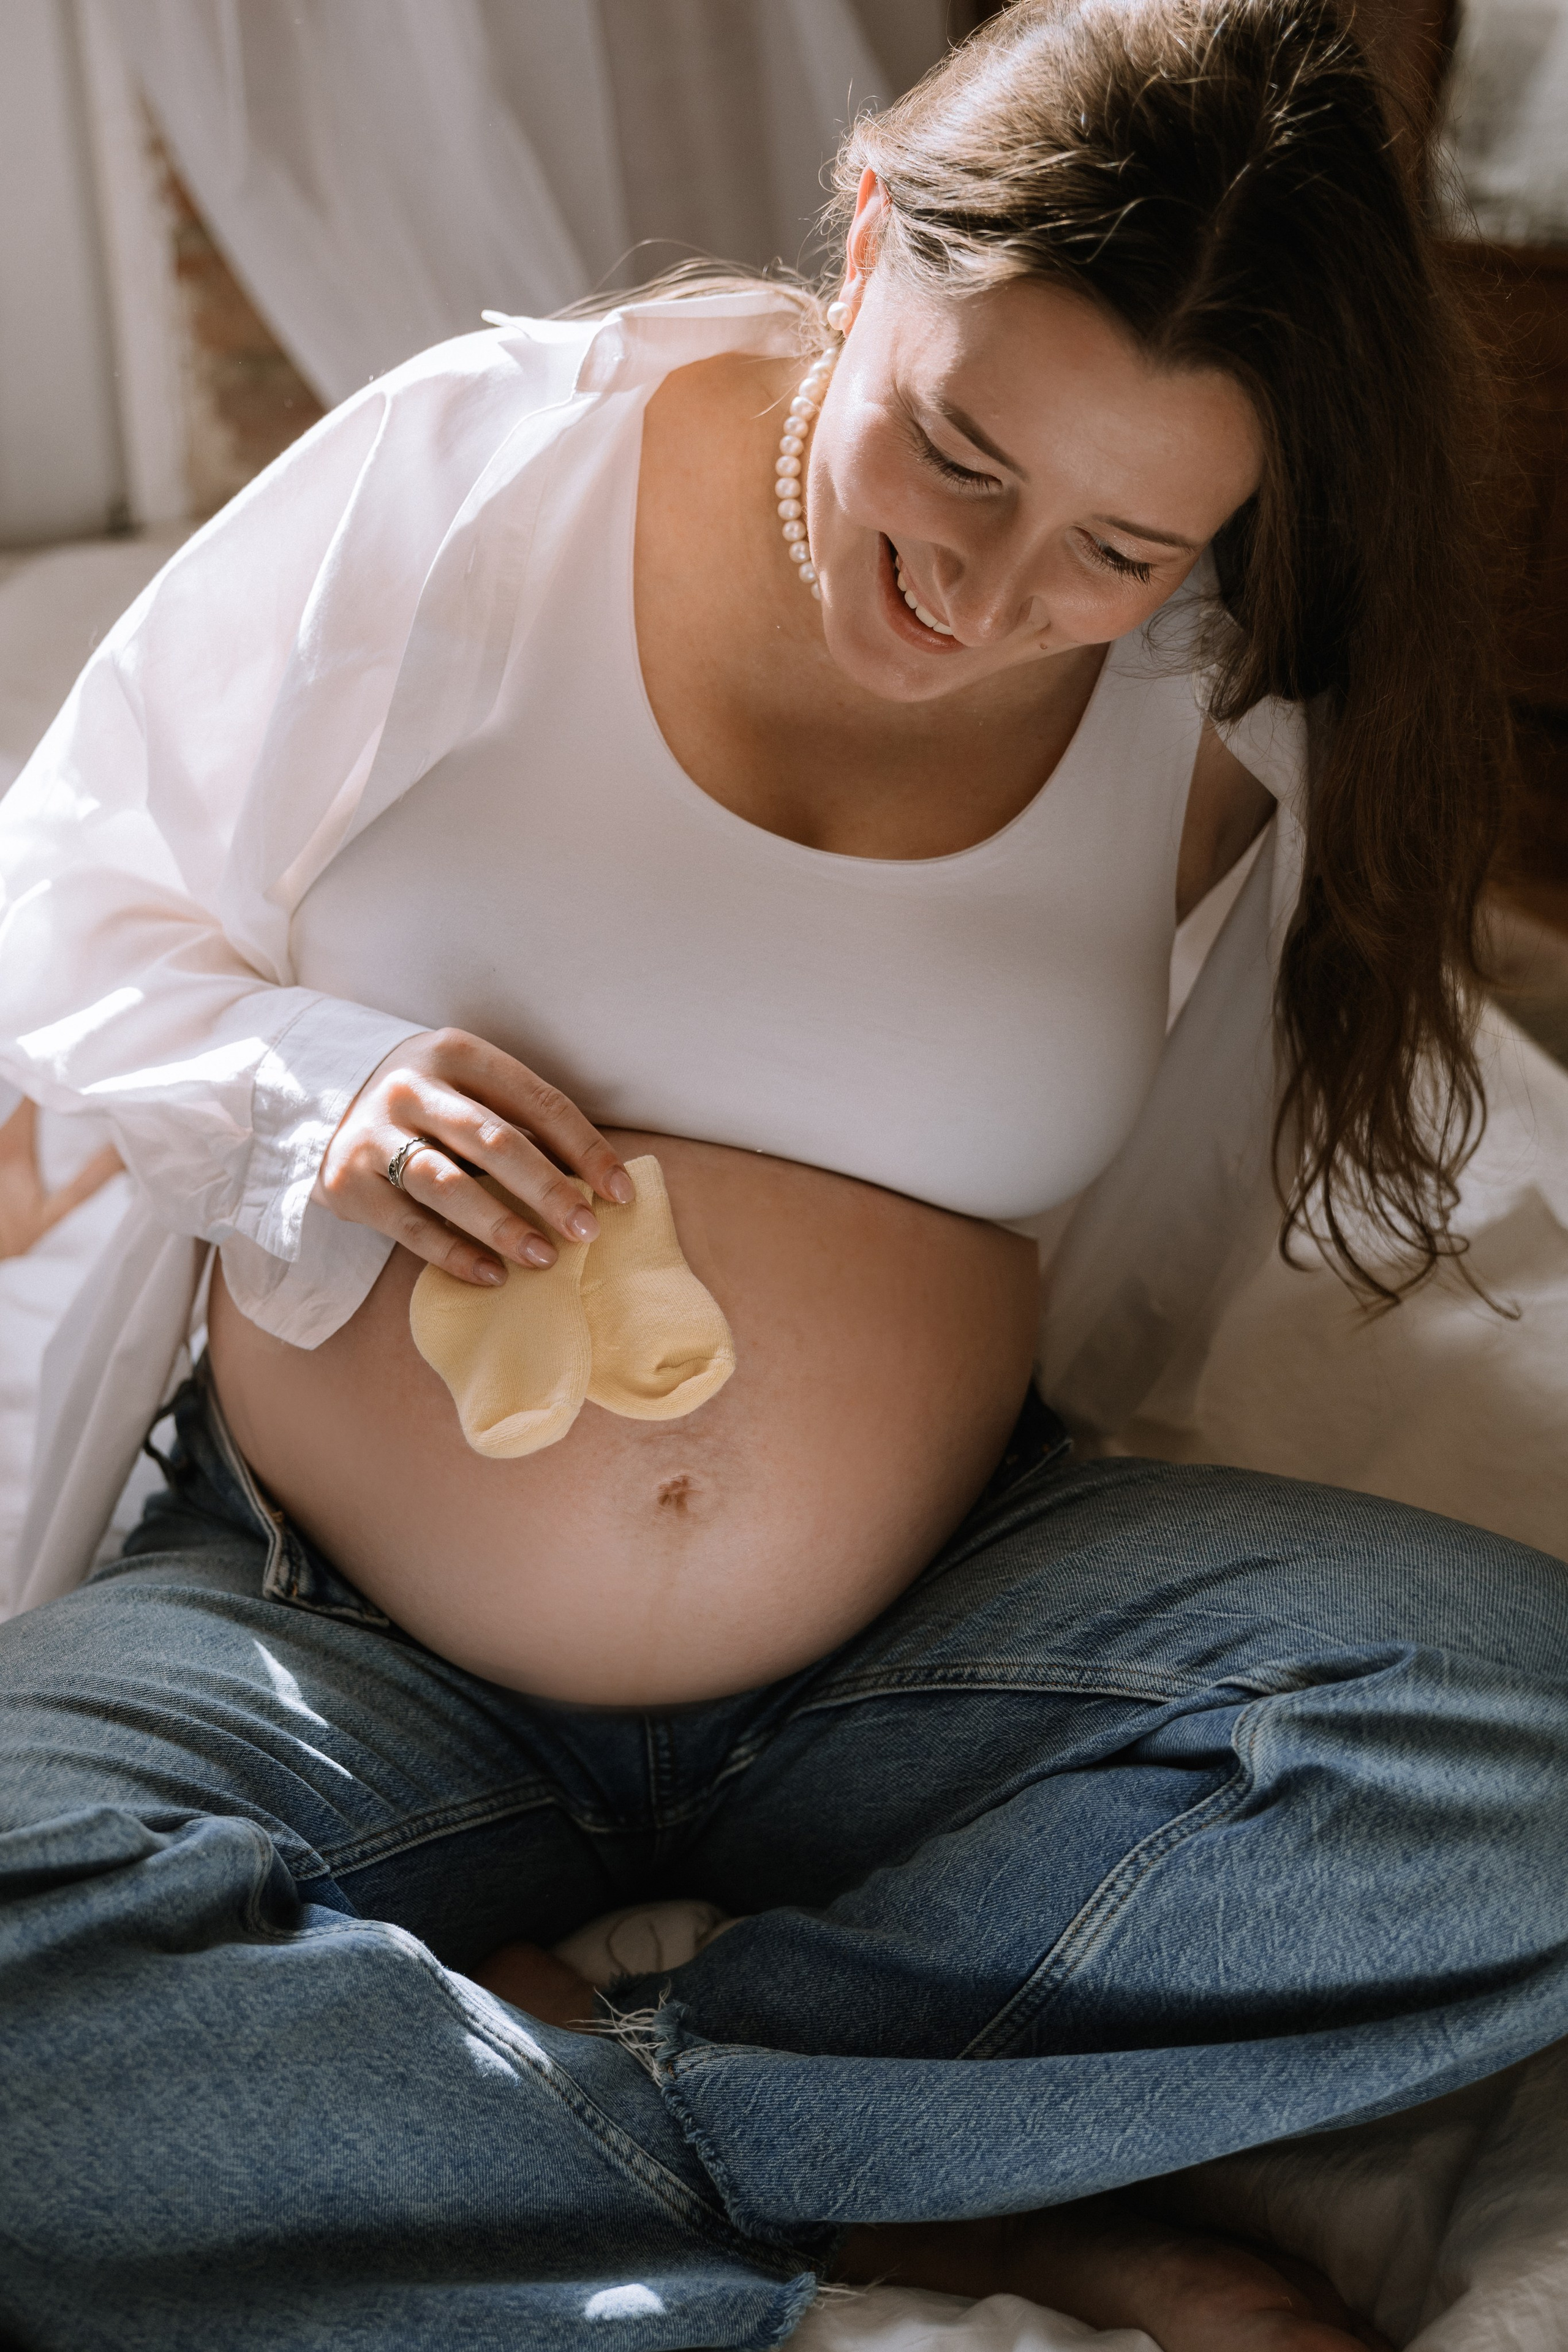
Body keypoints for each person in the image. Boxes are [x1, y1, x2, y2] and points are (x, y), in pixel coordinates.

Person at [1, 0, 1564, 2345]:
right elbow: (71, 899)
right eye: (957, 450)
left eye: (1116, 545)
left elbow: (1200, 1228)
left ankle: (645, 2116)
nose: (984, 590)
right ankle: (927, 2214)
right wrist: (306, 1087)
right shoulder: (498, 464)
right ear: (863, 224)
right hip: (330, 1624)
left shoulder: (1211, 718)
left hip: (930, 1631)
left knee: (1518, 1748)